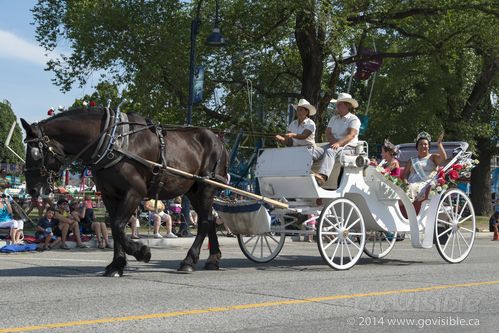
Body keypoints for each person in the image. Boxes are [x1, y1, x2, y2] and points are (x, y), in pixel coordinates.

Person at [312, 93, 361, 186]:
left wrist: (338, 144)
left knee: (330, 151)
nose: (336, 106)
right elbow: (328, 133)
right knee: (314, 152)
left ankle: (323, 177)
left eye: (339, 104)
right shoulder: (334, 118)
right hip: (334, 144)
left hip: (349, 147)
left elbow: (351, 135)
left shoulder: (353, 119)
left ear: (347, 105)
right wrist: (335, 143)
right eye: (337, 104)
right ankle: (303, 173)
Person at [401, 131, 447, 201]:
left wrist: (439, 144)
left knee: (410, 190)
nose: (423, 146)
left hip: (426, 185)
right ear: (417, 147)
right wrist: (405, 183)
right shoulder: (411, 160)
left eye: (425, 144)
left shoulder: (433, 157)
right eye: (420, 144)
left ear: (428, 146)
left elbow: (443, 158)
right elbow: (405, 175)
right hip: (410, 184)